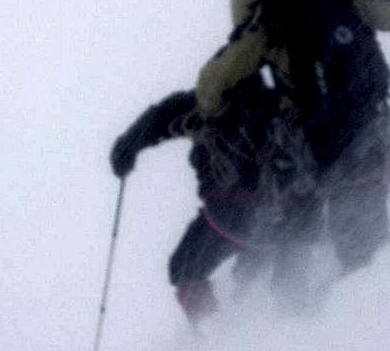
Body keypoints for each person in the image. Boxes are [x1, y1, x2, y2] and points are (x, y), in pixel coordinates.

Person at [195, 0, 390, 273]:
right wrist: (354, 3)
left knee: (297, 221)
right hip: (372, 132)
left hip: (321, 146)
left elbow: (211, 83)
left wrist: (212, 113)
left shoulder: (265, 24)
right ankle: (387, 294)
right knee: (368, 249)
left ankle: (298, 306)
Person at [109, 74, 283, 322]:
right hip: (277, 217)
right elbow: (162, 116)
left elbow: (162, 117)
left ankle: (216, 336)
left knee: (185, 269)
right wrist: (129, 146)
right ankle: (248, 327)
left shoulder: (202, 109)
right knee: (250, 272)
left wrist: (127, 148)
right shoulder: (275, 105)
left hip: (229, 214)